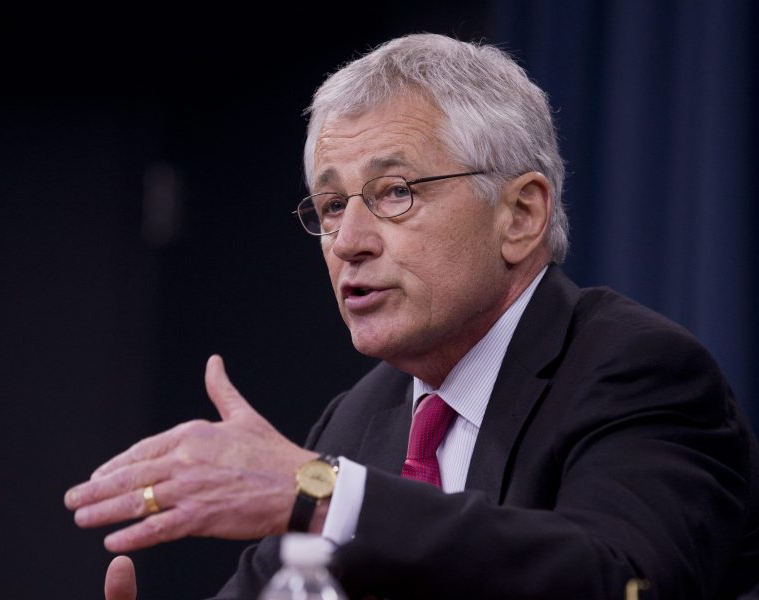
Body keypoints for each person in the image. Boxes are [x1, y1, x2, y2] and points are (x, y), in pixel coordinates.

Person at [65, 33, 759, 599]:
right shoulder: (358, 420)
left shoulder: (638, 373)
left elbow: (617, 580)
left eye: (394, 192)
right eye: (333, 205)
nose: (348, 241)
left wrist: (324, 493)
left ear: (520, 214)